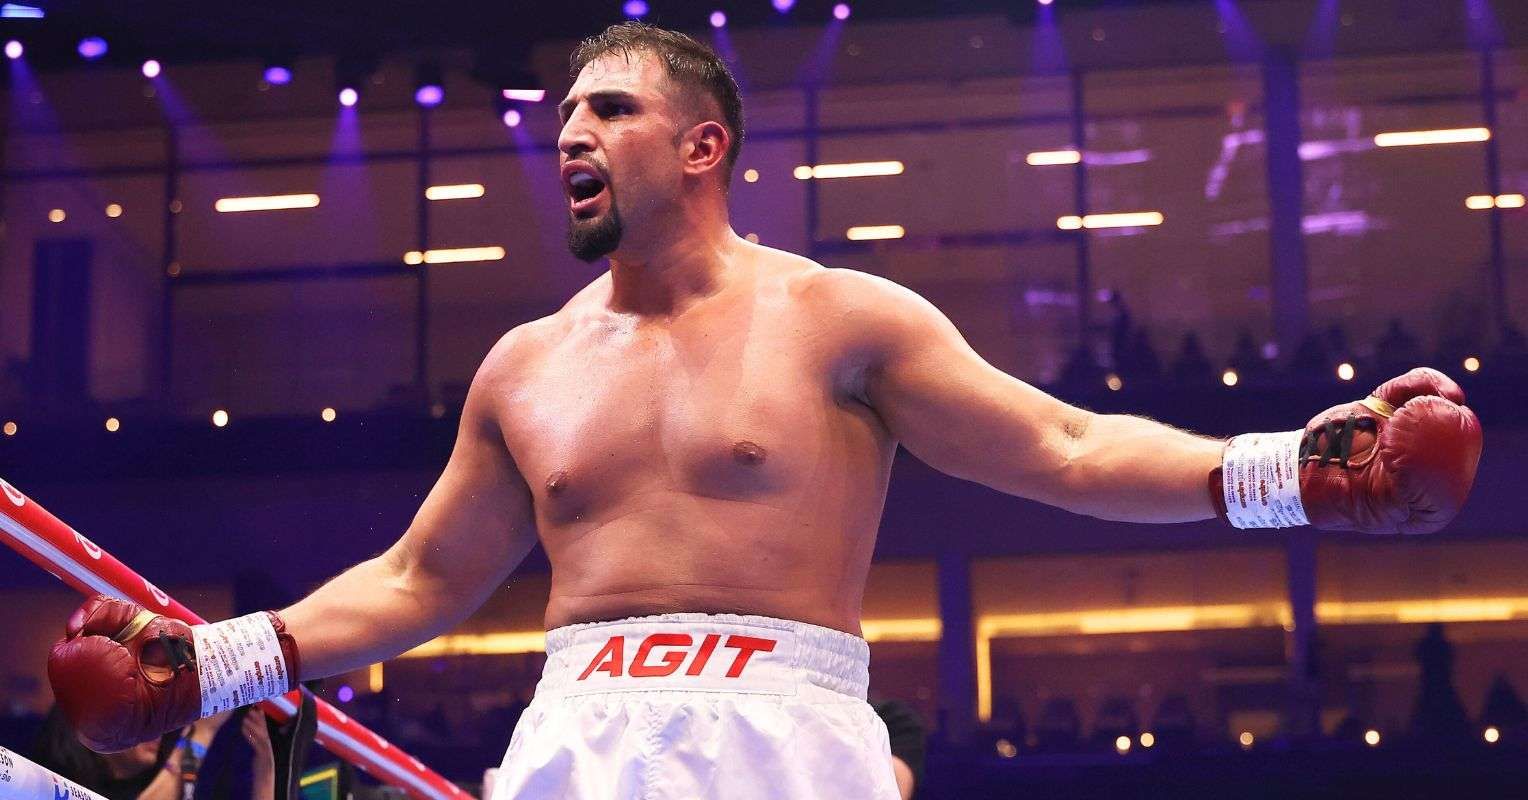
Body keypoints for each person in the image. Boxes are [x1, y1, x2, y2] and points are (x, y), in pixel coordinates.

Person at [47, 21, 1482, 800]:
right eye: (563, 120)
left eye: (608, 112)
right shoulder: (522, 366)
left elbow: (1061, 444)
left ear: (703, 145)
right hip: (576, 736)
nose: (570, 136)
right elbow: (421, 578)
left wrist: (1292, 471)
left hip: (781, 733)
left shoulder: (838, 318)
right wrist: (211, 662)